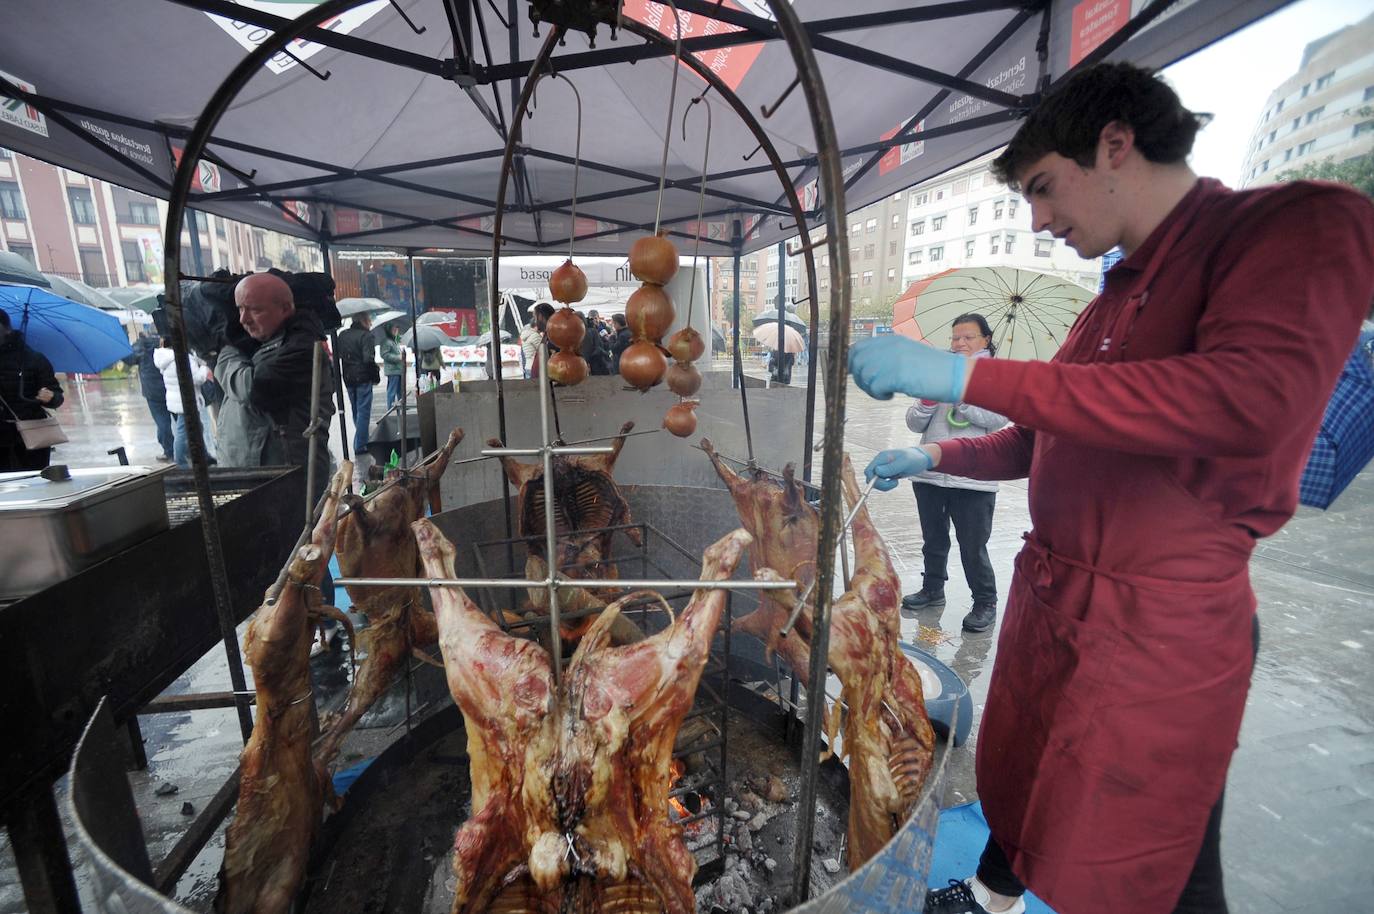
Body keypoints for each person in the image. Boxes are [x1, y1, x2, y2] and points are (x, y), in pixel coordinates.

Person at [848, 62, 1374, 914]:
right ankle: (988, 897)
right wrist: (936, 456)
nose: (1038, 219)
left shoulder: (1295, 226)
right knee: (1021, 786)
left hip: (1155, 626)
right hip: (1053, 604)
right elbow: (1038, 437)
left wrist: (968, 374)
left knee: (1148, 850)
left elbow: (1247, 399)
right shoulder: (1107, 300)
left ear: (1115, 145)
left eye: (1043, 188)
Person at [900, 313, 1009, 633]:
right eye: (955, 337)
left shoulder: (995, 375)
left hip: (973, 479)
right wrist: (927, 400)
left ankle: (985, 601)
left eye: (968, 337)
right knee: (933, 540)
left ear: (985, 340)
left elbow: (996, 419)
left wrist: (959, 394)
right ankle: (932, 589)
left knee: (973, 546)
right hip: (931, 473)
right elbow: (914, 423)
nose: (959, 343)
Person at [224, 272, 334, 496]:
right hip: (257, 472)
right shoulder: (259, 342)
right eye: (240, 309)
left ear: (285, 308)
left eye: (255, 310)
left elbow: (253, 390)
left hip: (285, 478)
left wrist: (226, 355)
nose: (243, 319)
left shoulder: (300, 347)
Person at [0, 309, 65, 471]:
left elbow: (57, 396)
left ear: (6, 328)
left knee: (34, 480)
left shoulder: (33, 359)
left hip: (31, 438)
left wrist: (50, 397)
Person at [153, 339, 213, 469]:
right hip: (186, 401)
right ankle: (180, 462)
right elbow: (197, 378)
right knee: (182, 433)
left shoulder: (165, 357)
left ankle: (204, 456)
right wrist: (204, 367)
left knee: (197, 428)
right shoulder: (183, 358)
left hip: (176, 399)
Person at [337, 312, 378, 457]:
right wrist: (375, 375)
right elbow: (368, 359)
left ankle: (362, 439)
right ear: (362, 320)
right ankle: (360, 444)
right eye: (368, 319)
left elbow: (339, 355)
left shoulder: (342, 335)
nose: (370, 322)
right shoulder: (366, 336)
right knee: (363, 412)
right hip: (363, 378)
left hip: (348, 377)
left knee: (356, 411)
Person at [132, 331, 174, 462]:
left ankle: (170, 451)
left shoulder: (140, 345)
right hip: (169, 387)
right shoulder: (165, 341)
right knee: (179, 421)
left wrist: (134, 344)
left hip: (152, 391)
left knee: (162, 421)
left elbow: (130, 360)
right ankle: (184, 448)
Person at [521, 302, 556, 378]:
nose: (535, 321)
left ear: (540, 317)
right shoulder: (547, 335)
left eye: (535, 317)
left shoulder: (554, 336)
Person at [380, 323, 406, 407]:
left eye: (396, 329)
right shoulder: (386, 342)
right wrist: (398, 357)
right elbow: (384, 355)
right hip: (392, 370)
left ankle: (400, 407)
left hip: (398, 370)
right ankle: (390, 408)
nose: (396, 331)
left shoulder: (394, 341)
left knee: (400, 391)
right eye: (394, 330)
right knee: (392, 391)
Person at [581, 308, 613, 375]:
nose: (594, 320)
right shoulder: (589, 329)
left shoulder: (605, 327)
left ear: (598, 317)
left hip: (605, 354)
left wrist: (608, 339)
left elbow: (610, 340)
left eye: (595, 318)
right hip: (594, 357)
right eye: (592, 319)